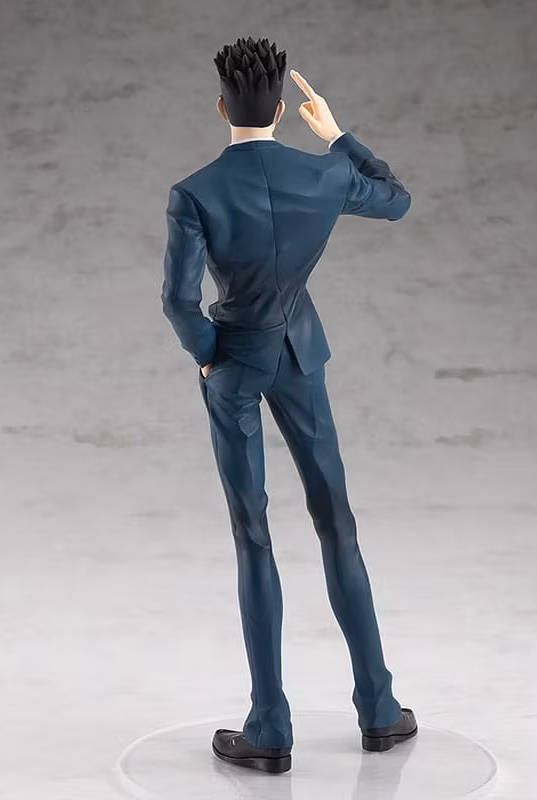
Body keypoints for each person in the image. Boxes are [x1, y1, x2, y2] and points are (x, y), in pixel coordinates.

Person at [161, 36, 418, 774]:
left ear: (221, 108)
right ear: (280, 110)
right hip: (300, 353)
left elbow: (179, 301)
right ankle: (378, 708)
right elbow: (396, 199)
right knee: (337, 522)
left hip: (237, 358)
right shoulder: (324, 174)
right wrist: (337, 134)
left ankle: (270, 726)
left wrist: (209, 352)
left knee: (253, 535)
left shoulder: (194, 193)